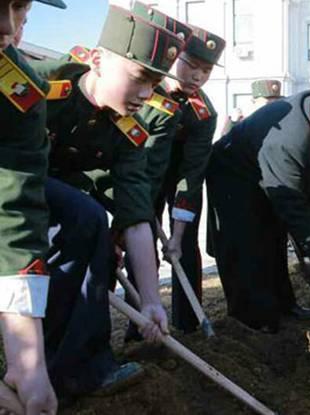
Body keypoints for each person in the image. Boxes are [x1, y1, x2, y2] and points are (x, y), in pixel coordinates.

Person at [31, 4, 185, 398]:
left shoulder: (128, 128)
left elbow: (136, 212)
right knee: (88, 217)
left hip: (62, 203)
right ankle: (60, 368)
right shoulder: (41, 86)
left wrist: (151, 301)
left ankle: (82, 369)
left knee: (102, 244)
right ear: (98, 60)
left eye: (155, 83)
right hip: (16, 188)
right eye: (139, 78)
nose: (147, 95)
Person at [205, 77, 310, 333]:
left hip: (268, 171)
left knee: (274, 236)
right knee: (248, 243)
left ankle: (282, 304)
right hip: (233, 175)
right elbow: (291, 203)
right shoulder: (288, 140)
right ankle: (252, 319)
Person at [0, 1, 66, 412]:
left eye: (19, 6)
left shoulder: (15, 86)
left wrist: (28, 363)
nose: (6, 26)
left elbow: (14, 210)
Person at [152, 23, 225, 334]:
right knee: (138, 239)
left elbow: (192, 175)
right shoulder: (148, 88)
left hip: (181, 177)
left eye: (206, 71)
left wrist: (177, 236)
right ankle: (141, 318)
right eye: (192, 66)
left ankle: (188, 321)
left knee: (186, 245)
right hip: (142, 174)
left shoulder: (203, 112)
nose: (198, 77)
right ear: (174, 57)